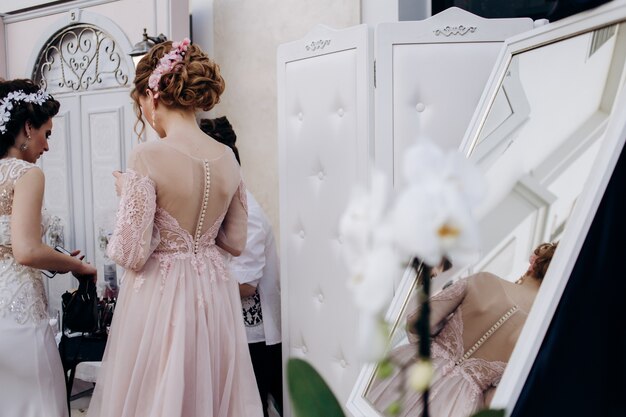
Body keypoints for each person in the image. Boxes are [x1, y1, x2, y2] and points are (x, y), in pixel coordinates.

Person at [87, 39, 263, 417]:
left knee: (157, 393)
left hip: (159, 296)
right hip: (214, 294)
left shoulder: (147, 156)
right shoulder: (228, 158)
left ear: (152, 96)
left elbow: (130, 252)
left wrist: (127, 193)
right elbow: (234, 241)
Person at [368, 242, 559, 417]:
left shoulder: (485, 280)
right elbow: (492, 401)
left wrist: (440, 343)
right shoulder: (538, 336)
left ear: (535, 261)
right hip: (455, 407)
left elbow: (418, 323)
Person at [0, 78, 97, 417]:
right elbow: (26, 250)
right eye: (47, 133)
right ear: (28, 127)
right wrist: (78, 267)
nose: (47, 146)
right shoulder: (24, 174)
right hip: (18, 313)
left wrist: (53, 259)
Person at [200, 116, 283, 417]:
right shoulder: (219, 207)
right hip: (231, 330)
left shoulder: (248, 213)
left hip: (254, 339)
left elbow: (246, 286)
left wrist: (194, 288)